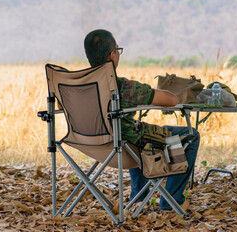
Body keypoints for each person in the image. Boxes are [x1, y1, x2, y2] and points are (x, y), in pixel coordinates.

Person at [83, 29, 200, 211]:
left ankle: (139, 197)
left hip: (91, 146)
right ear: (112, 55)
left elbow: (59, 106)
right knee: (188, 135)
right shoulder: (125, 87)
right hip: (125, 149)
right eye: (118, 50)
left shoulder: (79, 85)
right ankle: (172, 200)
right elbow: (172, 100)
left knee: (134, 130)